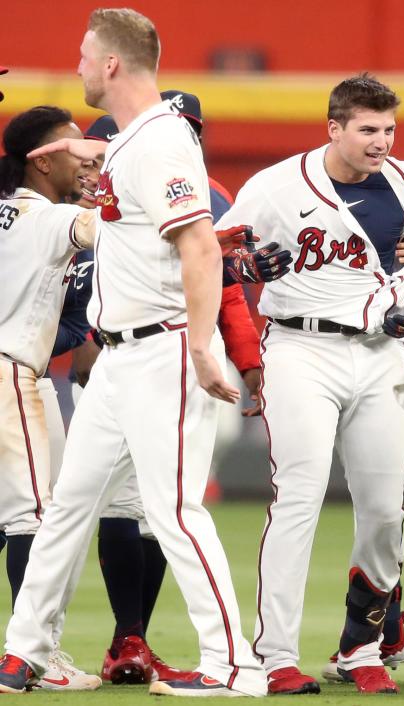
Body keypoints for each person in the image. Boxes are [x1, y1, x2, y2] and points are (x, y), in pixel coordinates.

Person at [0, 9, 268, 696]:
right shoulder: (130, 142)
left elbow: (199, 243)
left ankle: (233, 665)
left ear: (113, 64)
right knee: (66, 508)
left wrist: (204, 347)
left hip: (162, 349)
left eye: (87, 55)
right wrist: (93, 154)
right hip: (119, 357)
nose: (81, 65)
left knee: (176, 511)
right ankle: (23, 649)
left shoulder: (159, 142)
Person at [216, 74, 404, 695]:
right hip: (300, 347)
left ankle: (363, 642)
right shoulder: (277, 185)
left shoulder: (403, 183)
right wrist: (241, 265)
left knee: (383, 507)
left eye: (389, 129)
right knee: (300, 496)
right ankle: (276, 655)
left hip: (380, 355)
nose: (381, 142)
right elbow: (212, 252)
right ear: (334, 128)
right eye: (368, 129)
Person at [77, 104, 289, 686]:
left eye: (193, 130)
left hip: (170, 355)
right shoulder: (104, 180)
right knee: (96, 506)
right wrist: (86, 341)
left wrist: (247, 362)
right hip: (104, 352)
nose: (185, 138)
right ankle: (111, 638)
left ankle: (136, 638)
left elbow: (221, 288)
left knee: (161, 507)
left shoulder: (210, 194)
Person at [0, 105, 100, 692]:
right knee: (33, 516)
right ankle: (32, 655)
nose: (85, 157)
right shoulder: (49, 217)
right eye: (76, 148)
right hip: (11, 372)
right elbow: (111, 229)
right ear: (41, 159)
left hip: (16, 367)